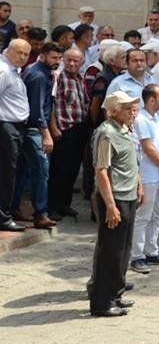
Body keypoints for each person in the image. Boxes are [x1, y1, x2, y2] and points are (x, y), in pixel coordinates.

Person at [88, 91, 142, 317]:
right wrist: (110, 205)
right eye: (127, 108)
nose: (133, 112)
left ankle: (115, 293)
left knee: (123, 249)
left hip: (128, 195)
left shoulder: (126, 130)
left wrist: (139, 185)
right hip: (115, 197)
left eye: (133, 107)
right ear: (113, 110)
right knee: (110, 250)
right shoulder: (106, 133)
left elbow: (132, 161)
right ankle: (102, 300)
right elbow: (101, 170)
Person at [14, 41, 62, 228]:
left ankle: (14, 206)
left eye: (59, 58)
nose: (57, 61)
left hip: (30, 129)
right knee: (42, 171)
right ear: (42, 56)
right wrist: (46, 135)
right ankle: (41, 213)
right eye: (53, 57)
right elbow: (37, 110)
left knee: (23, 171)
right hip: (34, 130)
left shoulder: (42, 72)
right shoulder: (38, 76)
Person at [129, 84, 159, 274]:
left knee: (156, 215)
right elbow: (147, 148)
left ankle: (151, 250)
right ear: (151, 99)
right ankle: (136, 255)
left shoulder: (158, 119)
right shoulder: (140, 119)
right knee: (143, 216)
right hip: (148, 174)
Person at [48, 46, 90, 220]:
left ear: (81, 62)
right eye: (69, 60)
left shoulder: (80, 78)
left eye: (76, 60)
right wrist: (53, 127)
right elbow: (50, 103)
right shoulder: (58, 77)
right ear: (64, 60)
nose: (72, 63)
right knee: (59, 171)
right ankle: (53, 207)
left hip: (78, 130)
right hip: (63, 130)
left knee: (72, 170)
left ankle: (65, 204)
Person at [0, 39, 30, 231]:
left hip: (15, 126)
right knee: (6, 173)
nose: (23, 58)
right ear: (8, 51)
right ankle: (3, 217)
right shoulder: (3, 71)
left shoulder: (13, 70)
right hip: (6, 126)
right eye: (19, 53)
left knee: (11, 171)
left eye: (26, 54)